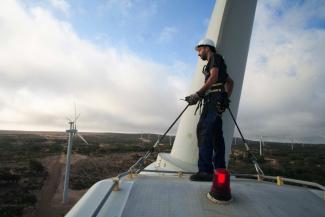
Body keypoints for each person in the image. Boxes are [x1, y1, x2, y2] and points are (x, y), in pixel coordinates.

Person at [185, 38, 234, 181]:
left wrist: (198, 94)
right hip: (216, 99)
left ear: (207, 48)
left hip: (213, 100)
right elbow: (230, 82)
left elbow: (213, 78)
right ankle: (220, 170)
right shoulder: (218, 62)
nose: (198, 54)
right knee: (216, 136)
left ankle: (205, 171)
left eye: (199, 50)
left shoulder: (215, 58)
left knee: (204, 131)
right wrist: (226, 98)